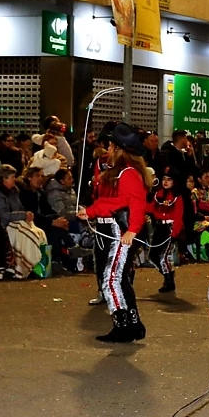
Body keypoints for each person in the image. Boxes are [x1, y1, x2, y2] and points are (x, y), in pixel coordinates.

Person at [77, 123, 153, 343]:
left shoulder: (128, 173)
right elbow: (108, 201)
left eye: (111, 145)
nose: (107, 148)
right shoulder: (118, 172)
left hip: (118, 230)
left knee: (111, 279)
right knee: (118, 280)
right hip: (109, 228)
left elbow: (136, 204)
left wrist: (132, 230)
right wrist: (90, 211)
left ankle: (123, 326)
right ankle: (133, 324)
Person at [148, 165, 184, 293]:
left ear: (174, 181)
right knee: (152, 256)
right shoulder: (158, 194)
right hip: (159, 228)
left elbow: (179, 216)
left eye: (169, 179)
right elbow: (151, 208)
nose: (165, 182)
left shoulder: (177, 197)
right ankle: (168, 273)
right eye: (164, 179)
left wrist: (175, 233)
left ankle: (169, 281)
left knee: (164, 257)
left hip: (170, 228)